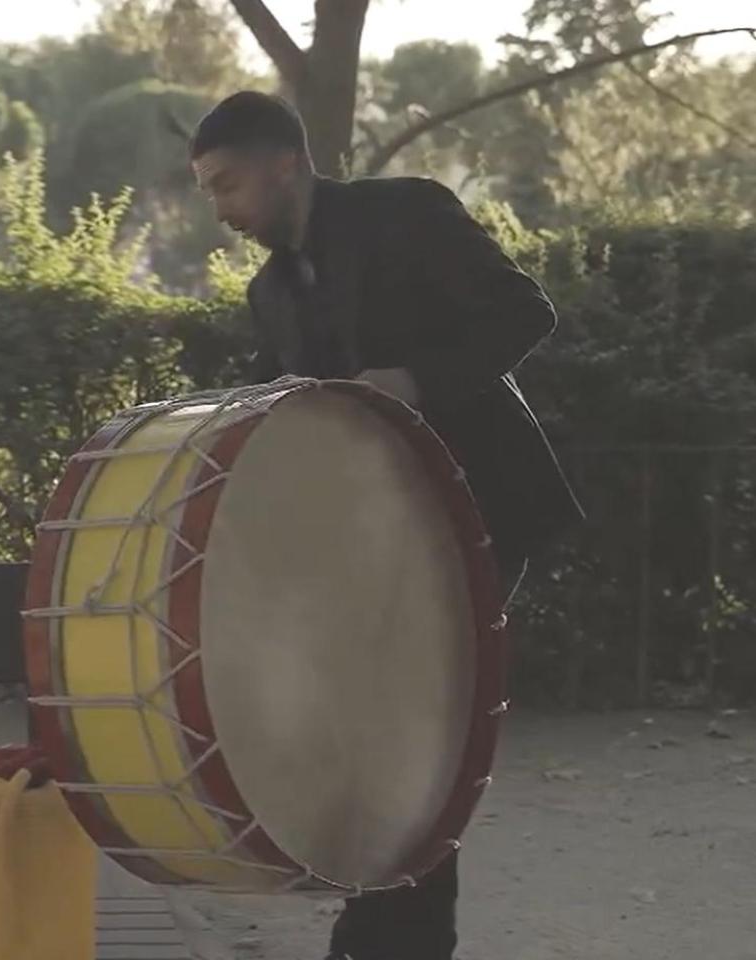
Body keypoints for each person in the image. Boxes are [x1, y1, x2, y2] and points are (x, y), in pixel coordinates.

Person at [186, 91, 584, 960]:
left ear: (285, 162)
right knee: (380, 722)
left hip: (479, 513)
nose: (220, 212)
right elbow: (281, 409)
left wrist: (415, 379)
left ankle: (386, 932)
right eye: (210, 193)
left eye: (227, 186)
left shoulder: (407, 212)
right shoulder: (270, 291)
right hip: (374, 540)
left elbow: (527, 312)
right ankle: (386, 924)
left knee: (410, 719)